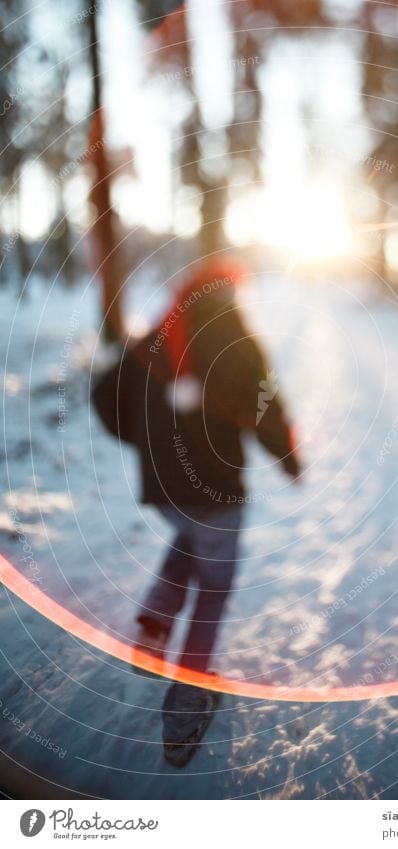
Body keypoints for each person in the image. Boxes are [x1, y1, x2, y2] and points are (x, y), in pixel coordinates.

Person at [91, 258, 301, 674]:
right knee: (215, 580)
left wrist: (144, 440)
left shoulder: (152, 338)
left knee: (193, 536)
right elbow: (265, 409)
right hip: (216, 486)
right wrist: (289, 458)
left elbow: (102, 395)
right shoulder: (240, 342)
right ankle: (193, 678)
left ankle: (156, 620)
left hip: (163, 488)